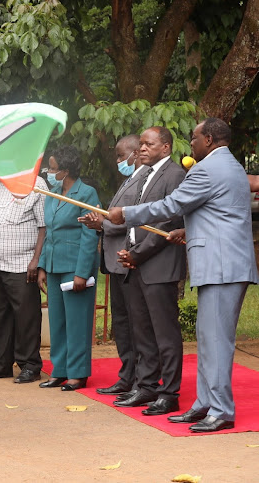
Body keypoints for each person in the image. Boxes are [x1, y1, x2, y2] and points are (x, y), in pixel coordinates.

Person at [108, 118, 259, 432]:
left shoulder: (207, 168)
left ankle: (220, 410)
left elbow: (172, 203)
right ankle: (205, 404)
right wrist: (185, 229)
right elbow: (219, 213)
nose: (190, 143)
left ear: (209, 138)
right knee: (207, 340)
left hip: (221, 266)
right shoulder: (229, 166)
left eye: (194, 138)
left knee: (216, 342)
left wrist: (128, 213)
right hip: (221, 262)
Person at [104, 127, 186, 416]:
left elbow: (167, 221)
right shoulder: (145, 175)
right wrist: (132, 253)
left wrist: (137, 254)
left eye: (148, 144)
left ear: (165, 147)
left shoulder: (174, 174)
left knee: (164, 333)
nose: (141, 149)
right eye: (139, 144)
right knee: (142, 331)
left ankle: (169, 393)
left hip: (158, 264)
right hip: (136, 263)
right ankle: (147, 385)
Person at [79, 135, 146, 396]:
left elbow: (134, 220)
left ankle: (142, 379)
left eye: (121, 156)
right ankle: (127, 375)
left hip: (130, 261)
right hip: (115, 264)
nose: (118, 161)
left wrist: (102, 224)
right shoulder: (129, 179)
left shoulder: (145, 182)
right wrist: (101, 222)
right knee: (121, 323)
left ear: (135, 153)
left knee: (135, 324)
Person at [0, 176, 47, 382]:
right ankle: (2, 364)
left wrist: (36, 260)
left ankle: (29, 365)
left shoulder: (36, 184)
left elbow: (44, 226)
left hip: (22, 264)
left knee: (26, 316)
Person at [36, 145, 100, 391]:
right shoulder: (53, 192)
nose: (48, 172)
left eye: (52, 168)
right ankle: (59, 370)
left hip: (75, 266)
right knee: (58, 321)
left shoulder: (87, 193)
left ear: (65, 170)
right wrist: (42, 266)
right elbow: (49, 232)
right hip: (53, 264)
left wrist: (82, 273)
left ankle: (78, 372)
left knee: (77, 322)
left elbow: (89, 235)